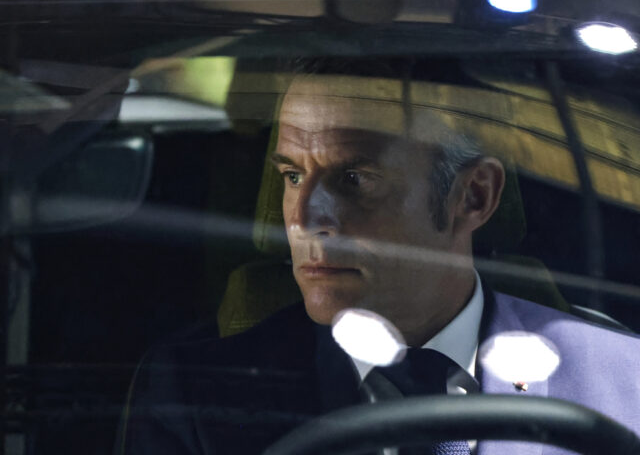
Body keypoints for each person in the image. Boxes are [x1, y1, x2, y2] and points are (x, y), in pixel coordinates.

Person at [117, 64, 640, 455]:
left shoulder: (623, 376)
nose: (302, 219)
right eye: (293, 176)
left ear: (474, 196)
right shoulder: (196, 393)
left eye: (354, 180)